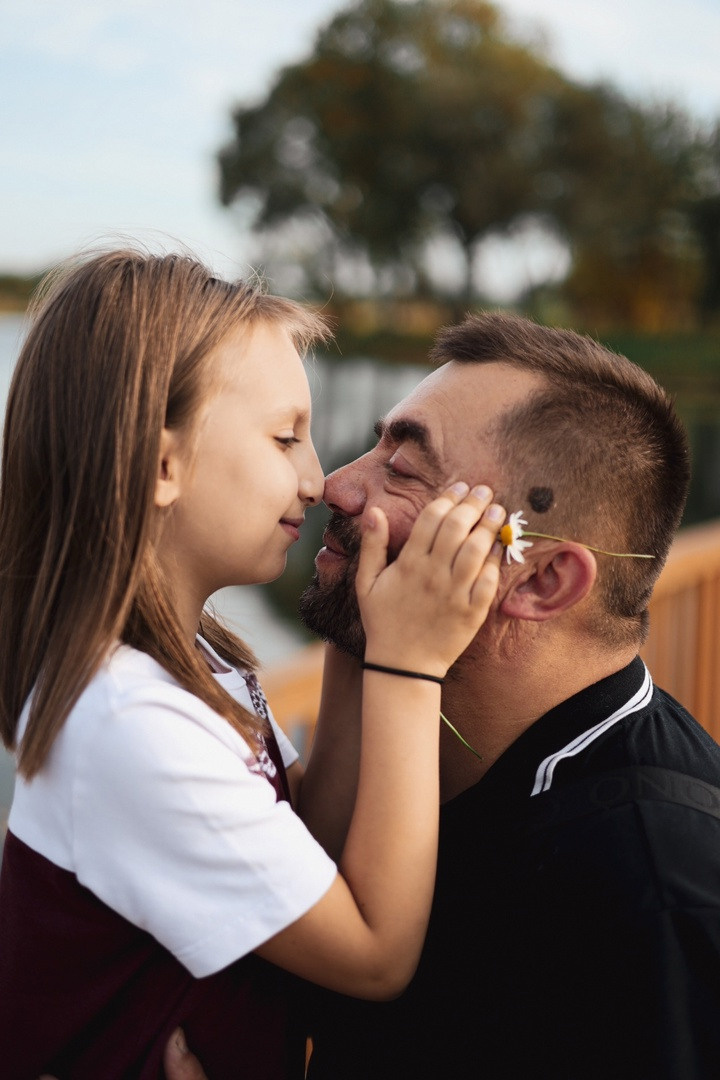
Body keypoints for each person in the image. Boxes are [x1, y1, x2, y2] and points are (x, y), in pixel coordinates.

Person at [164, 311, 720, 1079]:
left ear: (542, 579)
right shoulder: (407, 749)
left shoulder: (651, 895)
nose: (333, 485)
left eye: (402, 468)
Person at [0, 249, 506, 1079]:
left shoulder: (186, 667)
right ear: (161, 465)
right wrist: (409, 668)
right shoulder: (132, 723)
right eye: (284, 438)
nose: (318, 480)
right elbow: (376, 954)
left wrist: (358, 627)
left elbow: (306, 847)